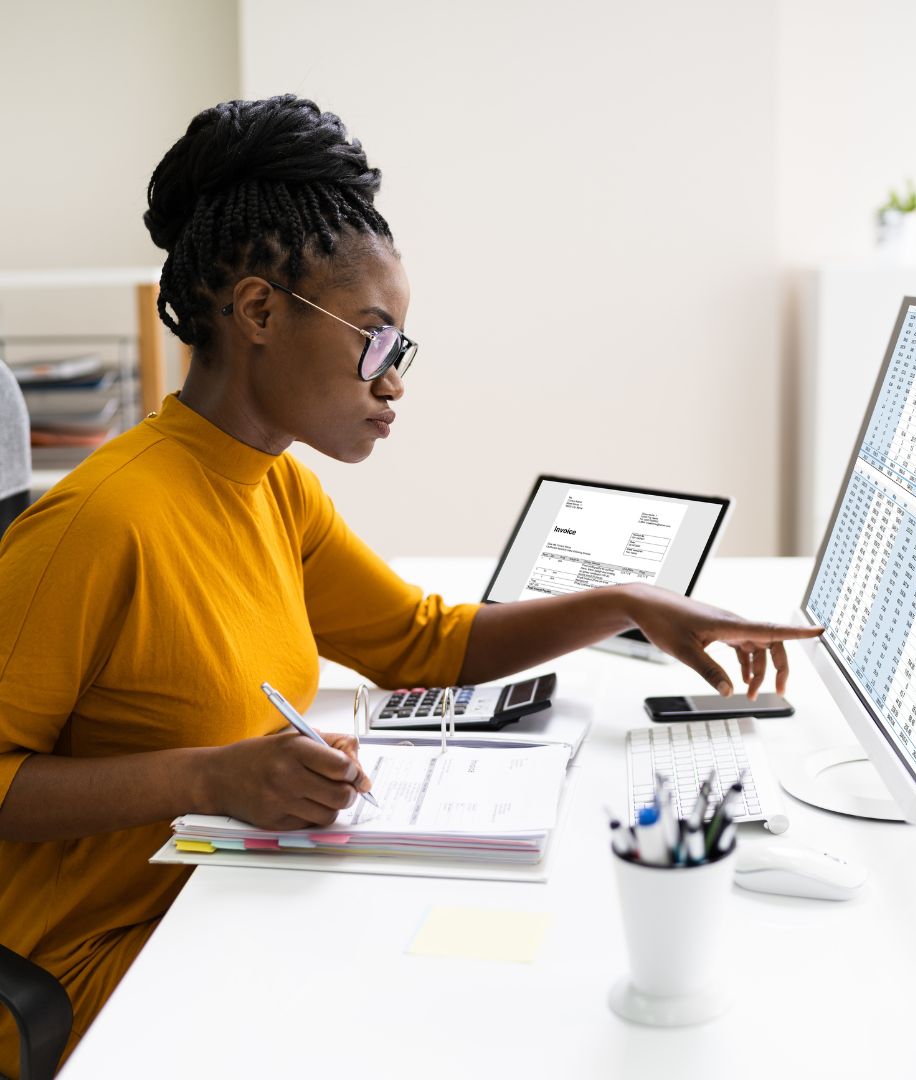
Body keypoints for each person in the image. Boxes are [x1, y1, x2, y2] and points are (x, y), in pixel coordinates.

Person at [0, 94, 820, 1070]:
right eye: (374, 339)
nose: (393, 382)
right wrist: (213, 777)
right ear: (259, 311)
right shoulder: (100, 523)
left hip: (224, 902)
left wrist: (626, 605)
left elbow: (426, 646)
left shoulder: (274, 489)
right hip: (96, 967)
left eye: (401, 349)